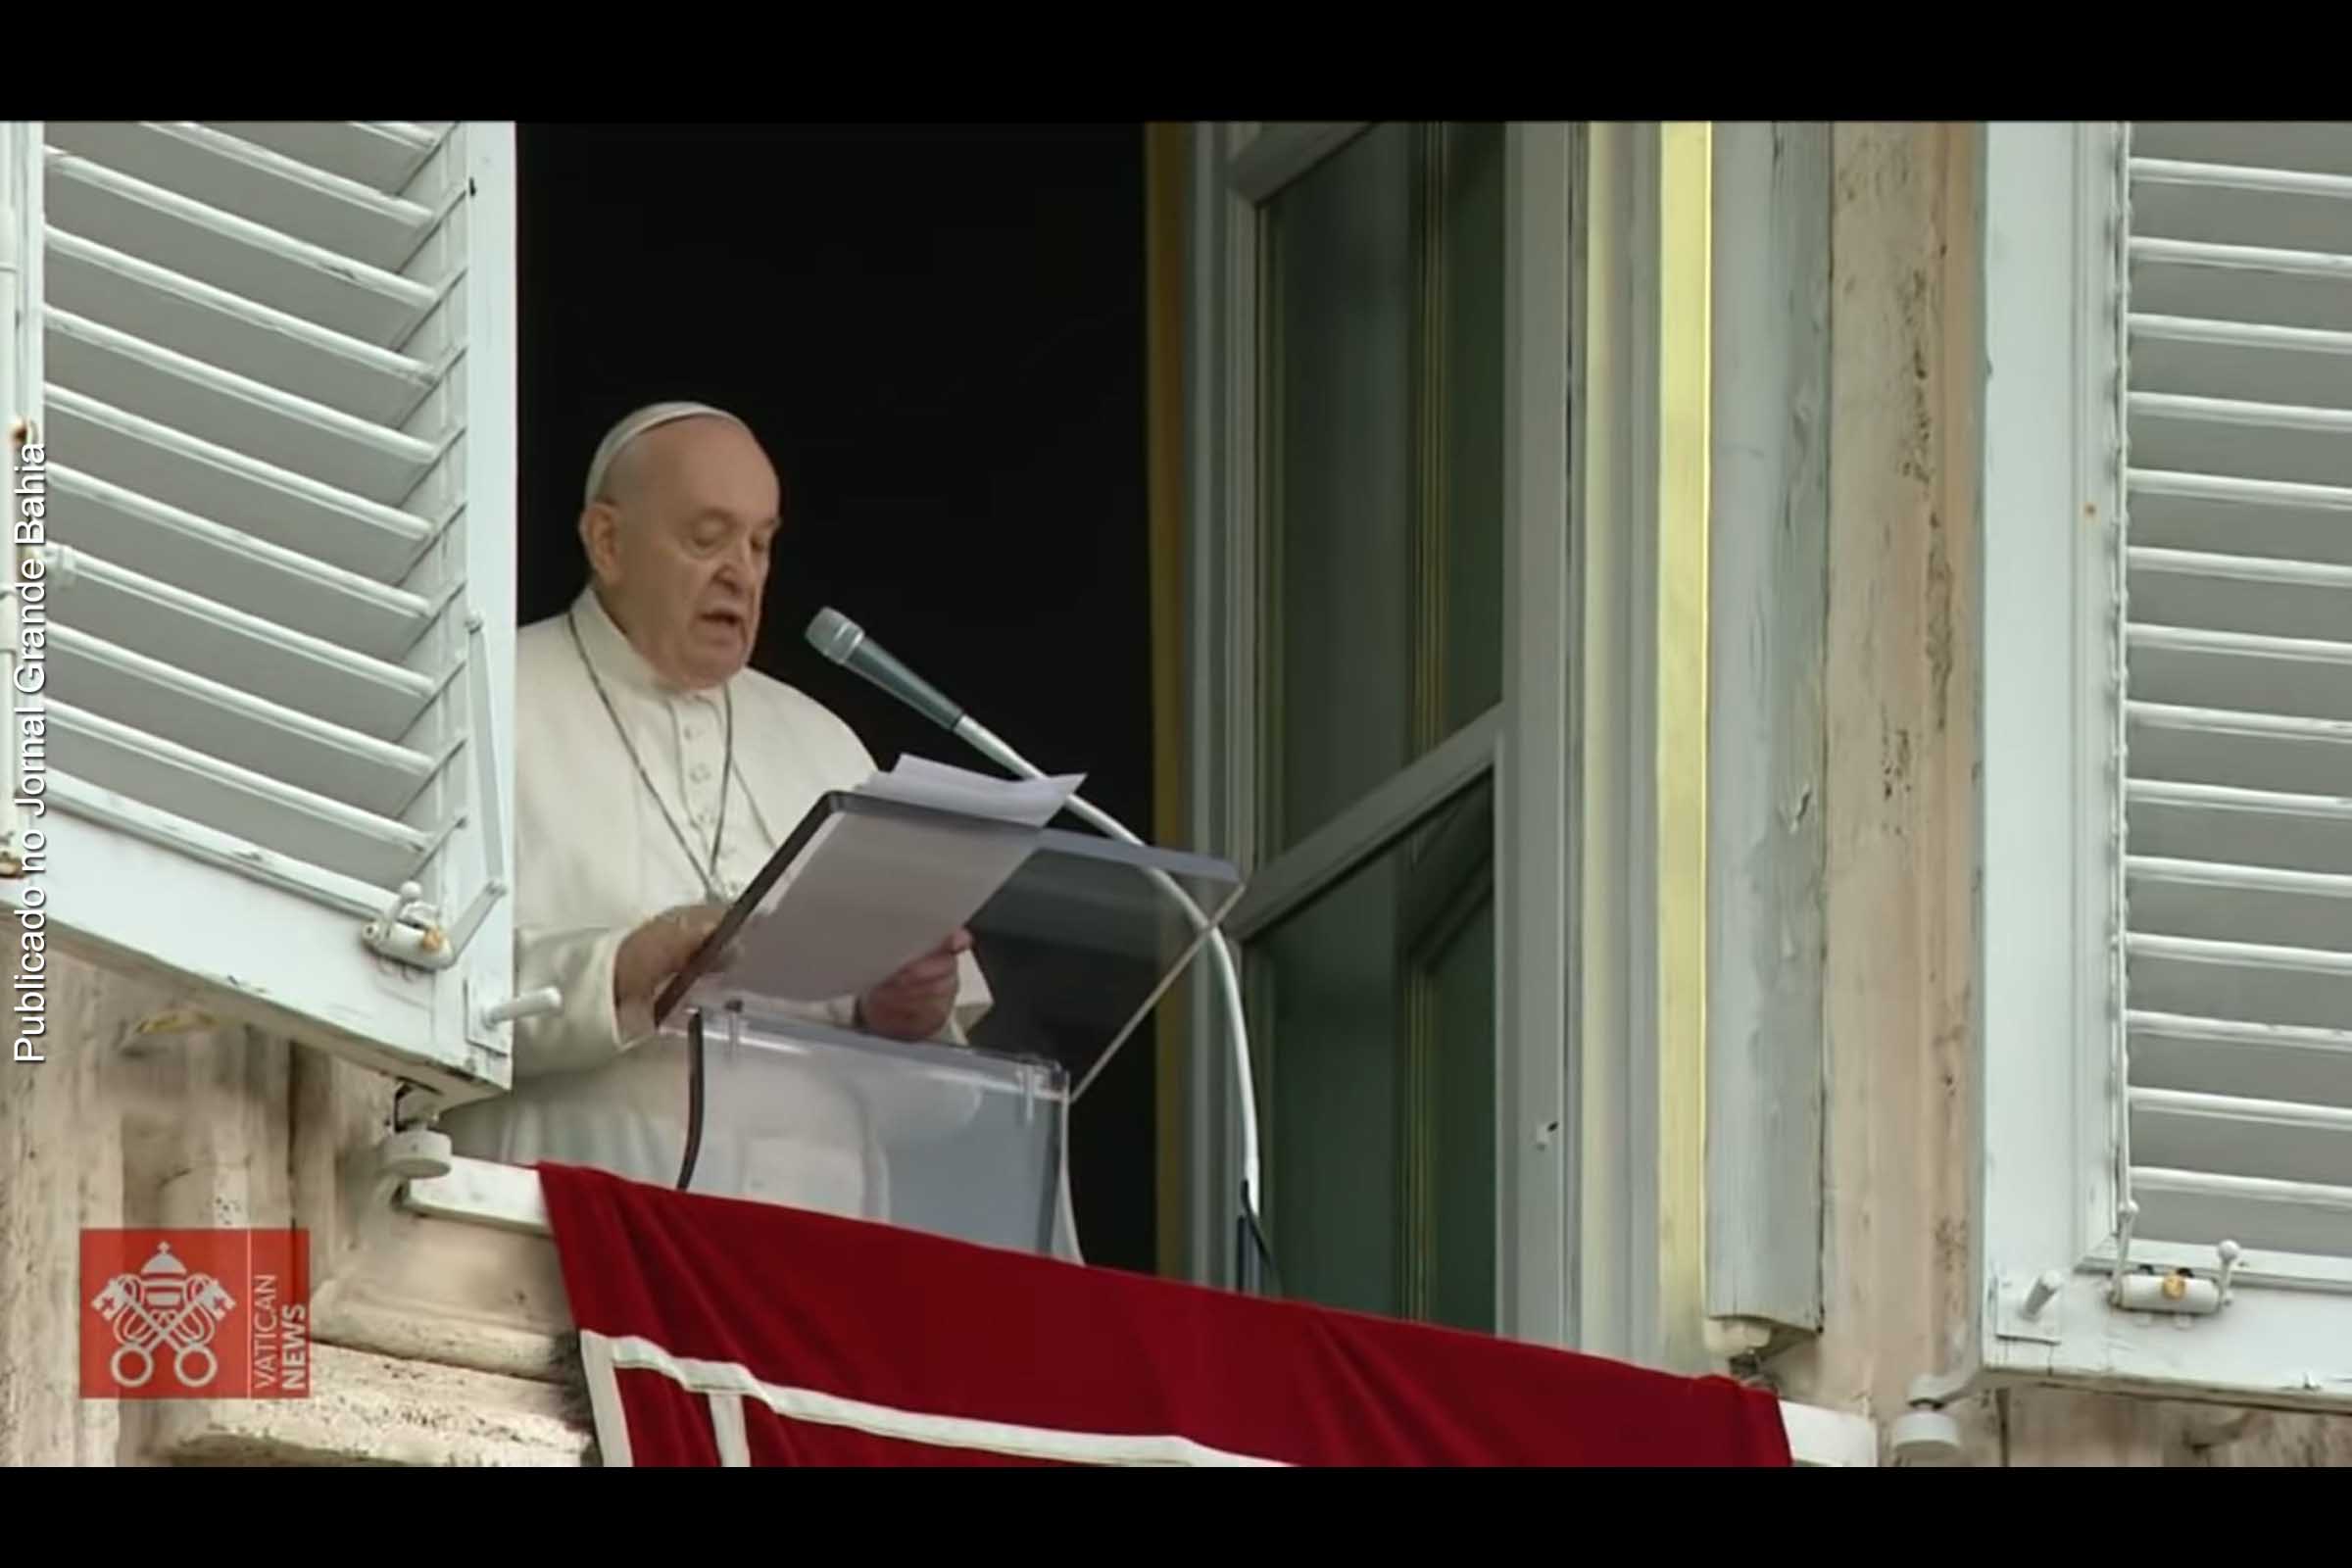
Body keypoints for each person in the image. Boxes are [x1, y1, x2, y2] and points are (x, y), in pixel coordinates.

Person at [441, 402, 991, 1220]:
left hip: (808, 1261)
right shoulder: (482, 704)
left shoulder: (825, 745)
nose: (742, 570)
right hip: (555, 1243)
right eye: (707, 538)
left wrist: (905, 1015)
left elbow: (949, 1108)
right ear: (607, 542)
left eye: (760, 543)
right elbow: (398, 995)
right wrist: (620, 970)